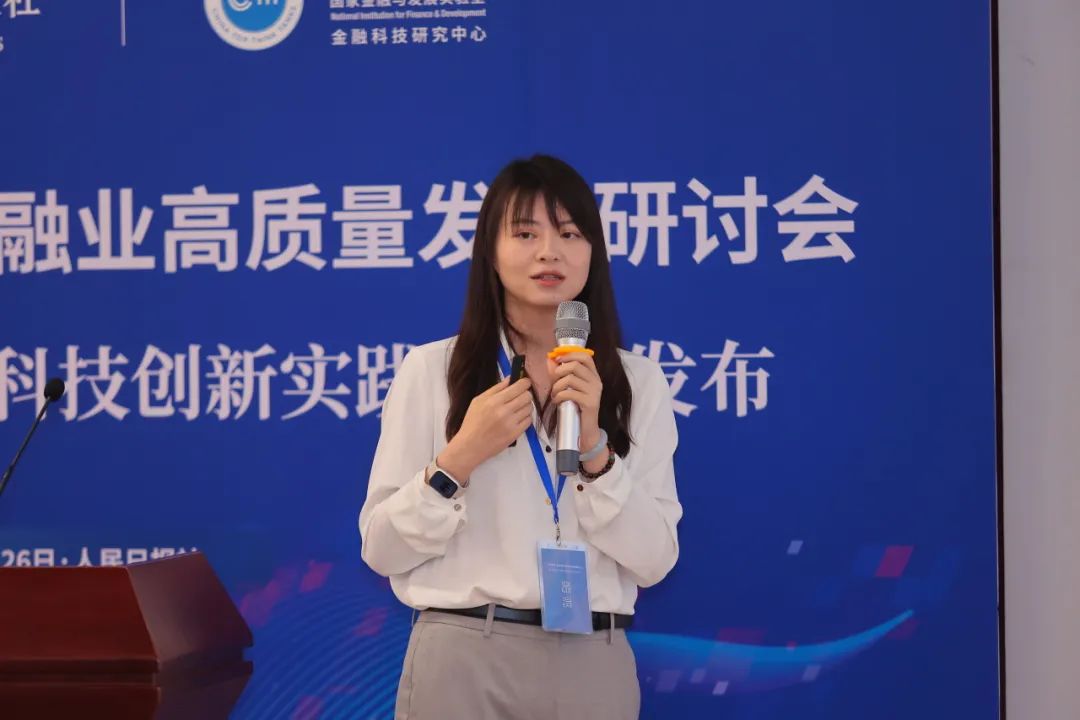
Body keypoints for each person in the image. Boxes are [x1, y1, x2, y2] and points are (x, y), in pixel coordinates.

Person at [359, 154, 682, 720]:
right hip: (465, 653)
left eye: (570, 233)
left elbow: (654, 560)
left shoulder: (637, 382)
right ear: (490, 249)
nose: (549, 252)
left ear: (594, 252)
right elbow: (383, 550)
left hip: (594, 658)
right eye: (526, 233)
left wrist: (596, 451)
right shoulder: (431, 371)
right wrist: (459, 459)